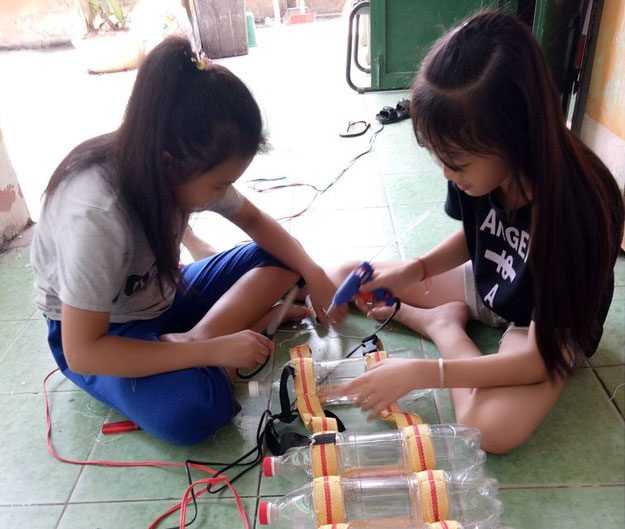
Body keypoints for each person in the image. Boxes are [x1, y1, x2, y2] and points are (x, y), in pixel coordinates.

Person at [331, 11, 624, 453]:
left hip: (548, 328)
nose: (449, 174)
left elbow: (534, 359)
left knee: (486, 430)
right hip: (494, 280)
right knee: (349, 275)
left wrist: (427, 373)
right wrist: (416, 269)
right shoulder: (480, 168)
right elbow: (477, 234)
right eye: (438, 157)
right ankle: (446, 317)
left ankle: (443, 327)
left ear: (518, 135)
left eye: (457, 163)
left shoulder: (578, 206)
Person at [30, 37, 346, 446]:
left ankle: (206, 336)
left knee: (283, 259)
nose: (222, 194)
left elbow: (252, 218)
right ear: (169, 164)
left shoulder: (170, 160)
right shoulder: (97, 213)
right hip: (105, 335)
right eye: (218, 185)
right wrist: (206, 350)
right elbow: (84, 352)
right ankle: (212, 338)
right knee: (195, 412)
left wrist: (314, 272)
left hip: (160, 296)